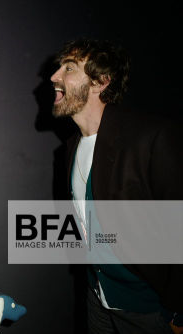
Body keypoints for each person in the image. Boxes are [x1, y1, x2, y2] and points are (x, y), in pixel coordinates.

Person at [51, 39, 183, 333]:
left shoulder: (153, 137)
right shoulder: (69, 149)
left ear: (100, 82)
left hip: (150, 308)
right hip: (97, 297)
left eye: (69, 68)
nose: (54, 76)